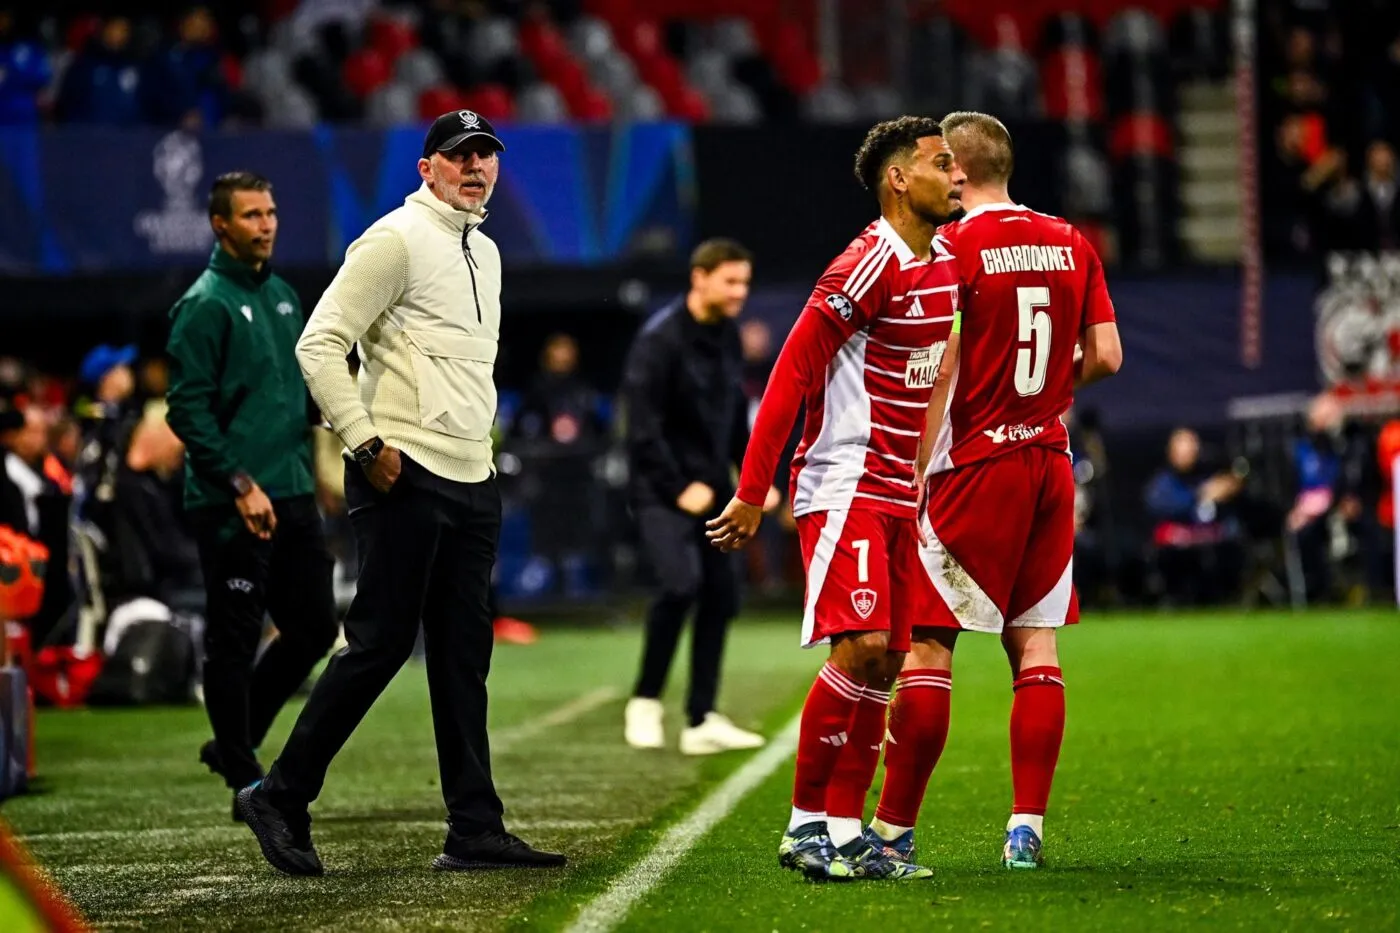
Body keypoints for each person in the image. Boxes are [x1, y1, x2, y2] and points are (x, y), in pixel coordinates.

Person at [237, 110, 564, 876]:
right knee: (380, 643)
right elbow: (318, 344)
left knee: (462, 657)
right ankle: (280, 794)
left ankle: (474, 827)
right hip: (403, 470)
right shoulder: (394, 238)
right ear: (427, 168)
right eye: (459, 156)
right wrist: (366, 442)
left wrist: (477, 464)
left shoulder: (485, 250)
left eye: (485, 154)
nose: (475, 166)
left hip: (469, 476)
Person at [707, 116, 965, 881]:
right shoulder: (865, 263)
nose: (954, 176)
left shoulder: (942, 263)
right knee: (857, 646)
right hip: (844, 481)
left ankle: (849, 832)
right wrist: (755, 490)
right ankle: (803, 825)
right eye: (940, 163)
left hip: (896, 491)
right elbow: (790, 373)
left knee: (886, 659)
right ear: (898, 179)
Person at [871, 111, 1122, 871]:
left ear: (958, 170)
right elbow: (1106, 354)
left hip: (971, 467)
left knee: (927, 647)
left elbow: (941, 368)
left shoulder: (951, 245)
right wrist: (1040, 399)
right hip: (1048, 462)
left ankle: (891, 829)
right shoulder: (1072, 240)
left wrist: (907, 472)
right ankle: (1026, 829)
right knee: (1035, 645)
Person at [164, 171, 338, 819]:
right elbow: (188, 411)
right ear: (220, 225)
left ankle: (236, 740)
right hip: (233, 498)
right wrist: (239, 483)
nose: (266, 224)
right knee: (233, 637)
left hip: (290, 491)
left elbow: (290, 394)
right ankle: (243, 772)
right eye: (251, 215)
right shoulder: (204, 304)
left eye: (270, 212)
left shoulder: (286, 296)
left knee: (315, 625)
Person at [621, 238, 774, 756]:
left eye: (745, 282)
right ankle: (644, 699)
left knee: (723, 595)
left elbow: (733, 418)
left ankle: (701, 718)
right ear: (700, 277)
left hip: (713, 491)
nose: (740, 292)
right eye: (731, 281)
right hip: (661, 492)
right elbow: (641, 429)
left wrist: (754, 482)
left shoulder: (727, 337)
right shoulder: (658, 341)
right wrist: (676, 487)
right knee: (680, 584)